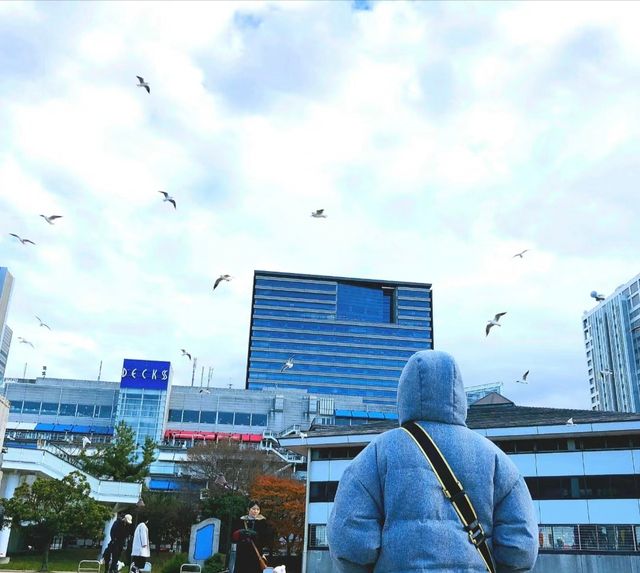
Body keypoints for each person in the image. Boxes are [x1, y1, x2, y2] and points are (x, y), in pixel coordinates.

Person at [327, 350, 539, 572]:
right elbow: (521, 546)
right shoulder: (497, 459)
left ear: (404, 393)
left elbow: (349, 542)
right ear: (458, 393)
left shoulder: (375, 455)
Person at [231, 500, 271, 573]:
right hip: (242, 552)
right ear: (248, 509)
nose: (255, 511)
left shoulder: (263, 522)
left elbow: (266, 539)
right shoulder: (241, 521)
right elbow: (233, 536)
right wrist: (241, 533)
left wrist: (255, 535)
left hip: (256, 552)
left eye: (258, 509)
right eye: (253, 509)